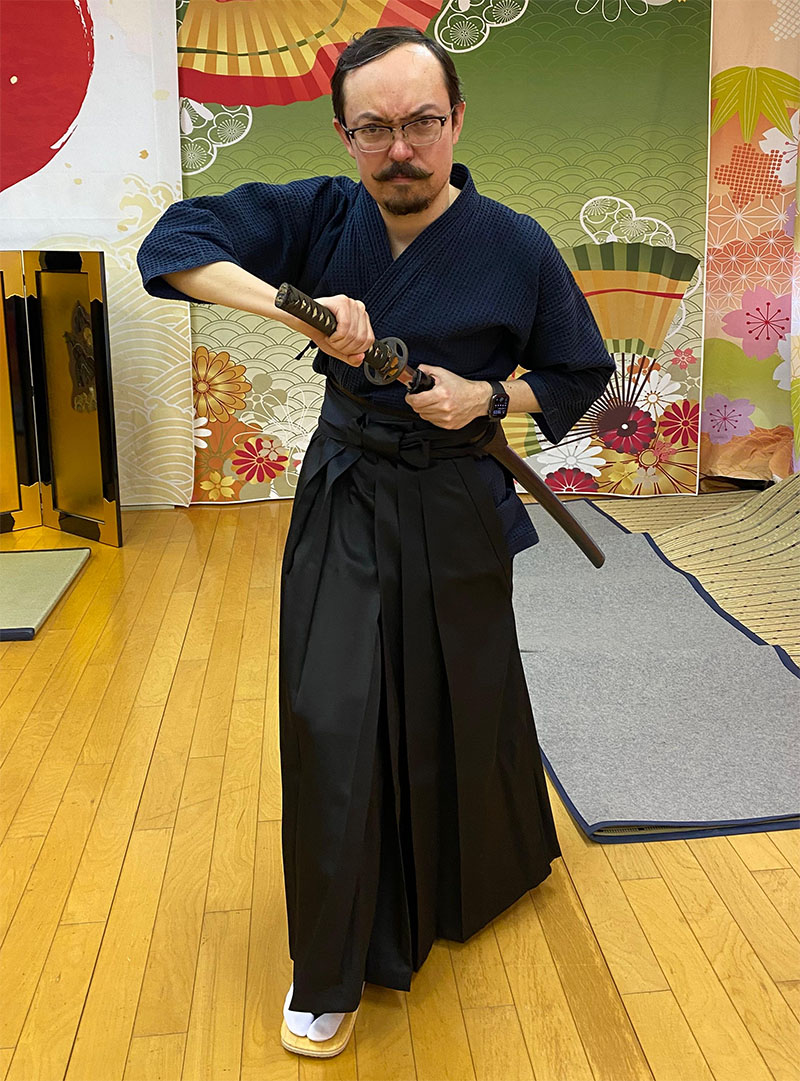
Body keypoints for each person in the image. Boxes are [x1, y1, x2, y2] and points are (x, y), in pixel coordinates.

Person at [138, 25, 614, 1059]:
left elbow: (580, 371)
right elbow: (171, 251)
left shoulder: (514, 244)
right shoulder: (320, 213)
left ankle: (475, 876)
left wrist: (487, 395)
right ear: (344, 132)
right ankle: (333, 963)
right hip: (349, 485)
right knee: (332, 708)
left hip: (455, 498)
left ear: (457, 121)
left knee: (462, 689)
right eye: (375, 128)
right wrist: (302, 313)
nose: (401, 149)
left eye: (422, 123)